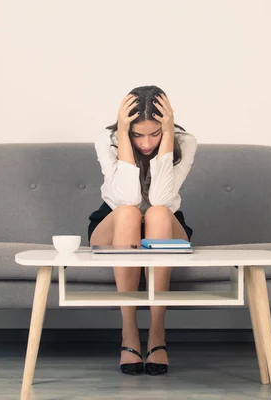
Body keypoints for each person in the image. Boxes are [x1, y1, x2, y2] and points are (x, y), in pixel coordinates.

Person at [88, 85, 197, 376]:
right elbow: (127, 198)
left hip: (165, 224)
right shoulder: (107, 140)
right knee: (129, 212)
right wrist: (123, 135)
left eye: (154, 133)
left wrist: (169, 134)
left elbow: (161, 198)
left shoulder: (185, 142)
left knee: (158, 212)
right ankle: (129, 333)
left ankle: (157, 333)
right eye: (138, 134)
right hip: (115, 223)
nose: (146, 143)